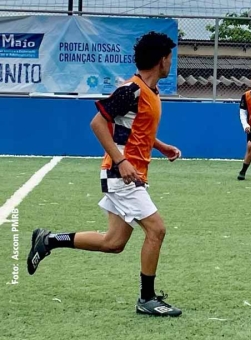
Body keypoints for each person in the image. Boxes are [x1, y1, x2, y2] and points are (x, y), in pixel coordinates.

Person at [26, 31, 183, 317]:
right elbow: (98, 123)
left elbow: (136, 128)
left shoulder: (151, 92)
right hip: (122, 175)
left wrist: (160, 146)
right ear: (162, 60)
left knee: (114, 243)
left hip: (130, 174)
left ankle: (48, 240)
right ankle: (147, 299)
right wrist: (121, 160)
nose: (171, 62)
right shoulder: (130, 90)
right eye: (170, 57)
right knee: (157, 230)